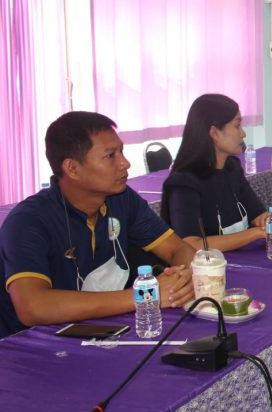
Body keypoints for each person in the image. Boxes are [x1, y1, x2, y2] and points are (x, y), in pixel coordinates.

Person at [0, 112, 197, 338]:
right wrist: (146, 295)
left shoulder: (121, 198)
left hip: (105, 331)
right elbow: (33, 307)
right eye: (110, 156)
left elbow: (177, 249)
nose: (125, 163)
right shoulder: (28, 221)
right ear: (72, 168)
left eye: (121, 151)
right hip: (33, 345)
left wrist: (181, 281)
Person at [160, 94, 268, 252]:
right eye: (237, 126)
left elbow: (258, 215)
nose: (243, 133)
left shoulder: (232, 168)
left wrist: (267, 221)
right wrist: (254, 234)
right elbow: (191, 244)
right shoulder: (184, 182)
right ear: (215, 133)